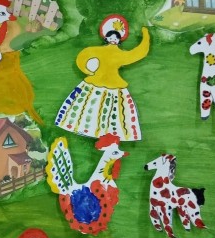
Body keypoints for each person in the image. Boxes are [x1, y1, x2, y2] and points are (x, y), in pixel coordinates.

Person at [55, 14, 150, 142]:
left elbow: (138, 53)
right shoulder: (97, 51)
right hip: (95, 83)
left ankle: (106, 133)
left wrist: (146, 36)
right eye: (111, 37)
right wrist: (88, 70)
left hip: (113, 84)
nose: (113, 39)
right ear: (106, 37)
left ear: (119, 40)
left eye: (116, 38)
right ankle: (87, 129)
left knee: (113, 111)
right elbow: (83, 57)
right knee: (90, 107)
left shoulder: (119, 54)